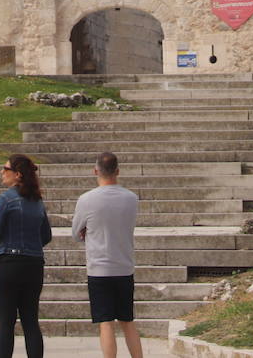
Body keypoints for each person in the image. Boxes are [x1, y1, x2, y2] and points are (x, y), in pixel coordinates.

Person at [71, 152, 143, 358]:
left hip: (99, 268)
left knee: (106, 324)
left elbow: (76, 233)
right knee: (127, 322)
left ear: (96, 171)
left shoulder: (86, 200)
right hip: (124, 266)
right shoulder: (131, 198)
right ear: (118, 171)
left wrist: (87, 232)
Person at [0, 154, 51, 358]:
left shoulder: (6, 198)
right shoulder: (37, 200)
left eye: (5, 169)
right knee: (30, 321)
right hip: (33, 264)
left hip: (7, 262)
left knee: (6, 321)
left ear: (18, 175)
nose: (1, 172)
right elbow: (46, 235)